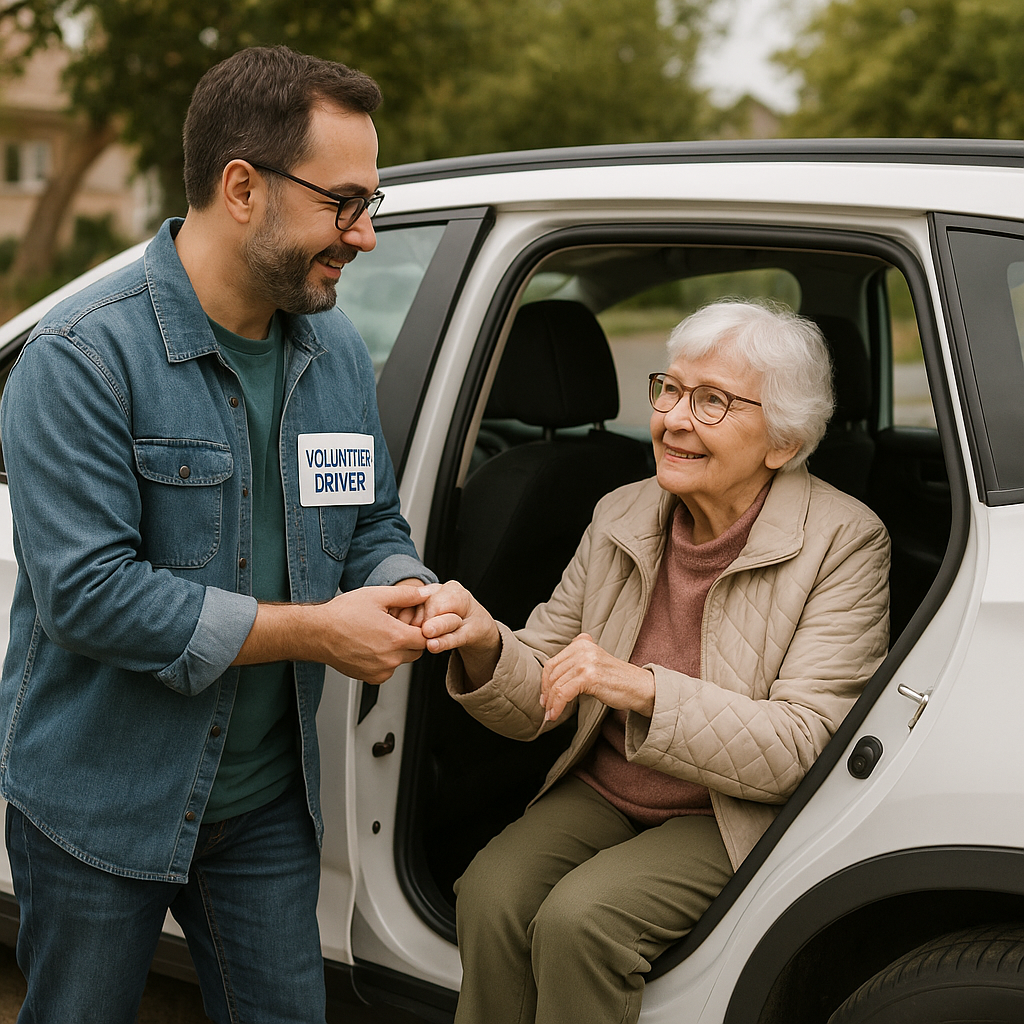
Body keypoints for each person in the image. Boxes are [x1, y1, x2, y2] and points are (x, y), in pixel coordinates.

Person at [0, 46, 436, 1023]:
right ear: (243, 187)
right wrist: (322, 632)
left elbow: (369, 521)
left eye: (371, 205)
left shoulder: (335, 360)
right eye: (345, 203)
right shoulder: (79, 359)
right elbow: (90, 597)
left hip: (266, 811)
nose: (363, 237)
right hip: (96, 810)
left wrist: (402, 583)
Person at [419, 299, 891, 1024]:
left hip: (731, 810)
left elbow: (803, 747)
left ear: (783, 441)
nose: (672, 419)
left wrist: (639, 688)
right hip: (609, 788)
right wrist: (488, 646)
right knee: (489, 892)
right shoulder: (621, 512)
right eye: (669, 390)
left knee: (583, 923)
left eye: (712, 401)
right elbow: (543, 687)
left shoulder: (845, 541)